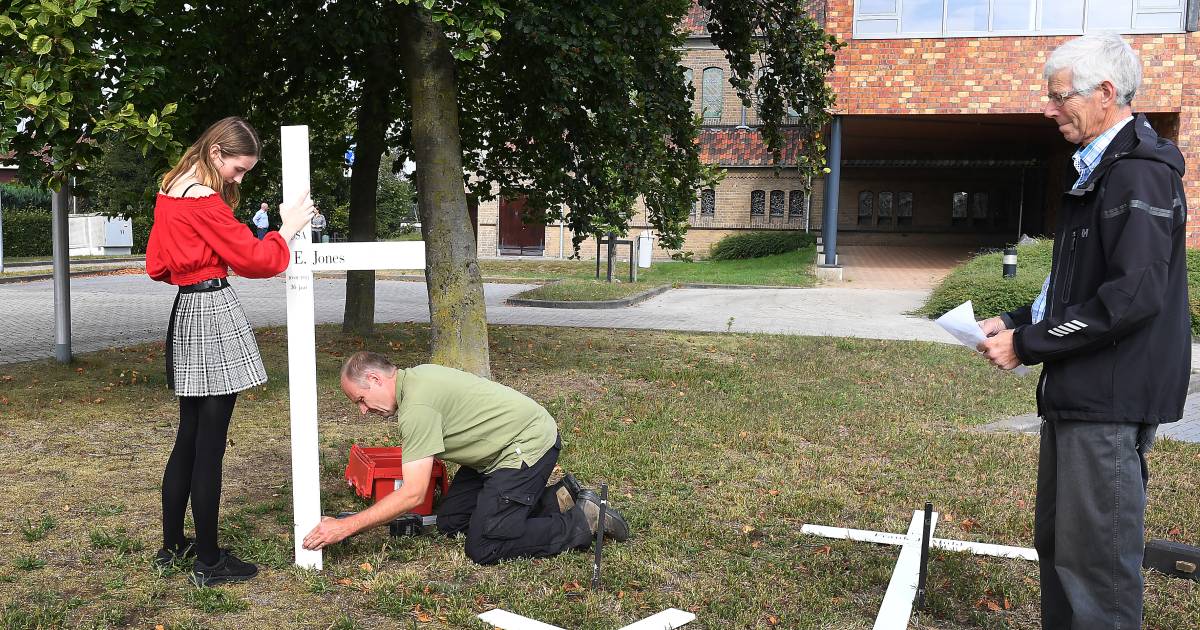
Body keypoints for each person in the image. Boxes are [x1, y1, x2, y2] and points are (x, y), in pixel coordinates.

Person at [977, 34, 1189, 629]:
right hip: (1078, 397)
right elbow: (1072, 286)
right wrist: (1018, 319)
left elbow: (1133, 295)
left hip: (1109, 401)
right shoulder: (1095, 170)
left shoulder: (1138, 175)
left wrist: (1028, 345)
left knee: (1096, 571)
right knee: (1063, 553)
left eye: (1058, 97)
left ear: (1104, 93)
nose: (1049, 109)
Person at [145, 116, 316, 586]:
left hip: (186, 311)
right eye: (238, 170)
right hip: (213, 310)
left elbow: (156, 265)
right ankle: (209, 560)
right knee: (209, 447)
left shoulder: (171, 189)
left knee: (189, 436)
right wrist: (287, 228)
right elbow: (260, 260)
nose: (238, 179)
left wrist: (192, 265)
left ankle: (173, 547)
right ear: (217, 153)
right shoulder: (204, 202)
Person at [301, 352, 630, 565]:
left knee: (484, 544)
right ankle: (555, 501)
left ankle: (583, 520)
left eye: (360, 399)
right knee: (450, 523)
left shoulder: (416, 408)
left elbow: (413, 493)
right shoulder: (416, 378)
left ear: (375, 379)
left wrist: (346, 527)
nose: (362, 410)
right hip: (491, 455)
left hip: (526, 445)